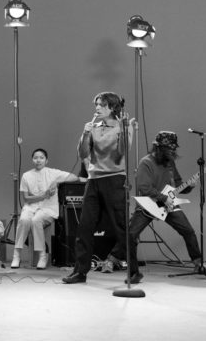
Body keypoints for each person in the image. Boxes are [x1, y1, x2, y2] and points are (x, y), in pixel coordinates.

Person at [63, 91, 135, 284]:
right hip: (93, 180)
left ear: (112, 107)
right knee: (84, 227)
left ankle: (134, 271)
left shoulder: (123, 125)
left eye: (101, 105)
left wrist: (123, 128)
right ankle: (80, 272)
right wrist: (85, 133)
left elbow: (123, 152)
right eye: (96, 104)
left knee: (121, 228)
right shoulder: (93, 127)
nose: (97, 108)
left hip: (115, 179)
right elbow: (83, 154)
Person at [115, 131, 203, 283]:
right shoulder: (146, 162)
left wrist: (190, 186)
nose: (172, 152)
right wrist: (163, 198)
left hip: (168, 204)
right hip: (149, 204)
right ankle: (133, 273)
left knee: (188, 231)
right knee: (131, 236)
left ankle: (198, 263)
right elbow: (144, 188)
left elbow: (178, 184)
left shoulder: (170, 162)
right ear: (158, 147)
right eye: (169, 149)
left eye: (173, 149)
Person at [11, 148, 84, 269]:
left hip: (48, 208)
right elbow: (26, 198)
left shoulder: (53, 173)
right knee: (24, 220)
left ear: (46, 160)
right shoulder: (26, 175)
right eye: (35, 158)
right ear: (32, 160)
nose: (38, 160)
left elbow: (74, 177)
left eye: (41, 158)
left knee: (36, 220)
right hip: (30, 207)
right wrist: (43, 196)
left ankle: (42, 256)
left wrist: (56, 182)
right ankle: (16, 255)